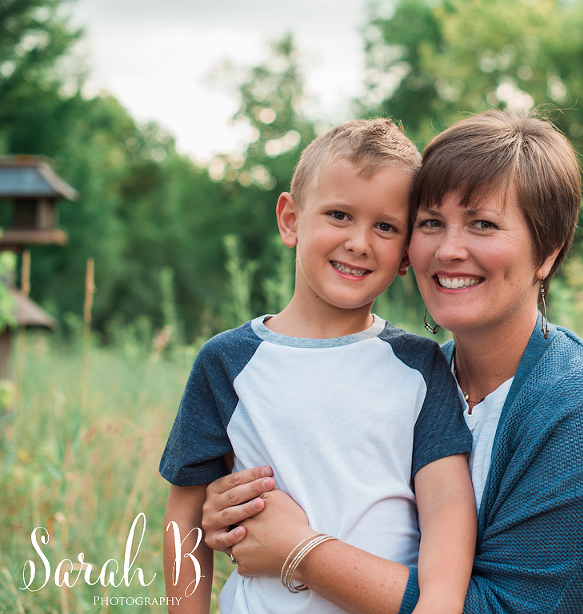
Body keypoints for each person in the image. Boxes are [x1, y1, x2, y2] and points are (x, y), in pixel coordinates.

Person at [201, 109, 583, 613]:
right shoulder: (412, 382)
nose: (449, 249)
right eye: (431, 224)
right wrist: (237, 509)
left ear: (547, 252)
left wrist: (300, 552)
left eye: (483, 224)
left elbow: (507, 609)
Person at [159, 118, 477, 614]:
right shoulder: (226, 363)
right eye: (339, 215)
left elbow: (446, 502)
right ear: (291, 220)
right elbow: (185, 517)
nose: (359, 242)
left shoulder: (420, 365)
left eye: (386, 227)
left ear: (406, 255)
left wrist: (440, 603)